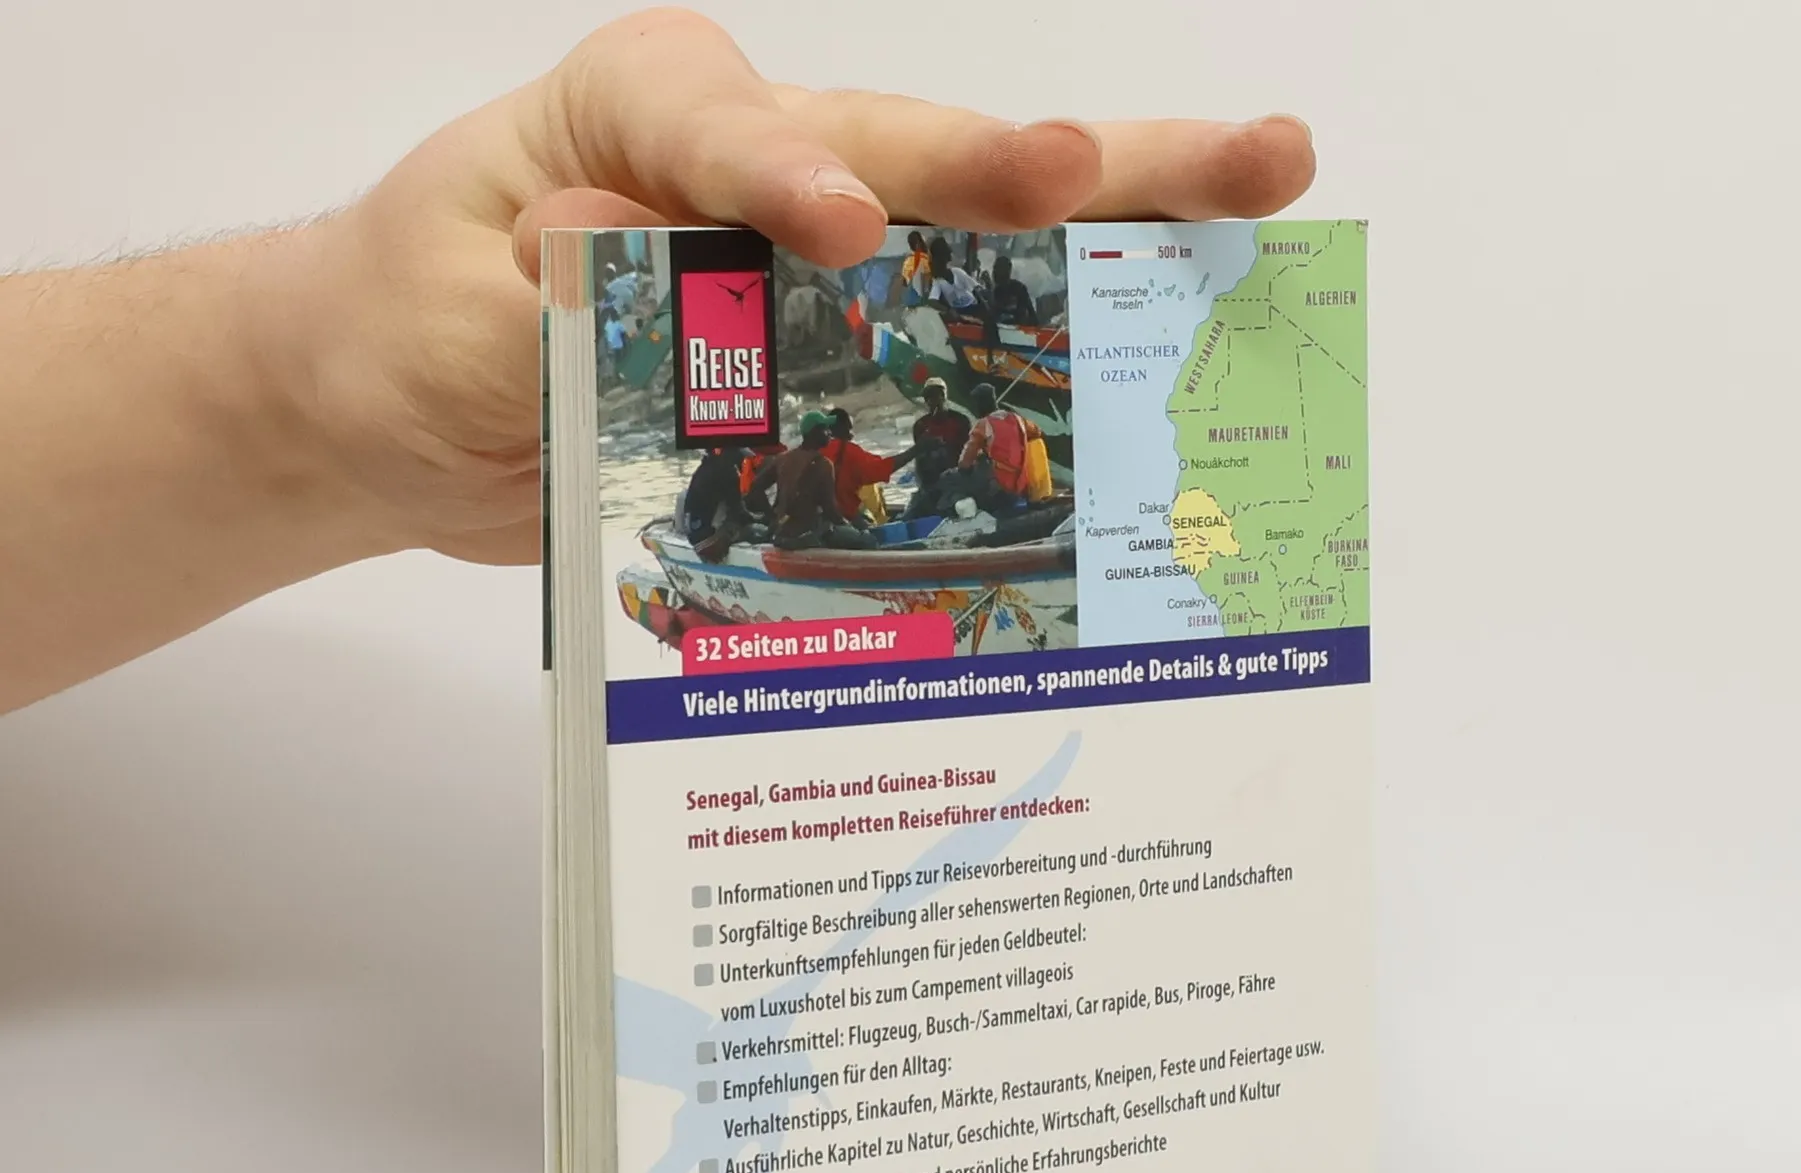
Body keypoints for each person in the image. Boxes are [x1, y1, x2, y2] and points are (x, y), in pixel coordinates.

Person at [0, 8, 1317, 713]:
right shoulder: (816, 463)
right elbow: (872, 484)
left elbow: (901, 478)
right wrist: (299, 394)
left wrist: (309, 391)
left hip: (873, 523)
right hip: (812, 539)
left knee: (976, 510)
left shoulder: (883, 447)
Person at [746, 412, 877, 550]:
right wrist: (849, 527)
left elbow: (755, 488)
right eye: (825, 429)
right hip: (808, 533)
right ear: (814, 433)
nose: (829, 433)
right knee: (868, 540)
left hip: (781, 531)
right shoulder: (824, 465)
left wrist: (772, 515)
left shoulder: (782, 458)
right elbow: (830, 510)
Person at [939, 381, 1033, 518]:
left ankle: (962, 510)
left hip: (999, 487)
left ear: (982, 403)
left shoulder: (983, 425)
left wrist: (976, 460)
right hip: (1020, 483)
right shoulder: (1018, 419)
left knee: (948, 477)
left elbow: (964, 464)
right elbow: (1036, 432)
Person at [823, 407, 914, 524]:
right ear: (841, 428)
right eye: (849, 429)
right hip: (842, 516)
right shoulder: (849, 451)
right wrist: (916, 450)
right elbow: (882, 467)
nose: (851, 435)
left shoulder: (814, 451)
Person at [904, 378, 970, 517]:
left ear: (944, 396)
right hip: (930, 482)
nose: (933, 401)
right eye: (929, 397)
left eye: (937, 395)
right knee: (911, 514)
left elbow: (968, 453)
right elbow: (919, 458)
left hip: (956, 480)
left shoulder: (961, 421)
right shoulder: (921, 426)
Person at [678, 442, 751, 559]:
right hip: (711, 544)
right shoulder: (728, 473)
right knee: (754, 531)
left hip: (693, 537)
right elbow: (739, 512)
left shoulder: (701, 471)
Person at [924, 235, 981, 312]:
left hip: (974, 307)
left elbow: (976, 287)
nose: (950, 251)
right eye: (947, 248)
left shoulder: (957, 272)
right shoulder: (937, 281)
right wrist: (949, 310)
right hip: (963, 312)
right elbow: (932, 301)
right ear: (942, 255)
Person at [989, 252, 1037, 328]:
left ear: (1008, 271)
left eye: (999, 269)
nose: (994, 272)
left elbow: (1031, 315)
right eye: (994, 269)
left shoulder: (1019, 289)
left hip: (1016, 330)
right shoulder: (994, 291)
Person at [897, 230, 933, 306]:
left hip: (911, 297)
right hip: (926, 296)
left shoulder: (908, 260)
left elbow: (904, 281)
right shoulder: (927, 259)